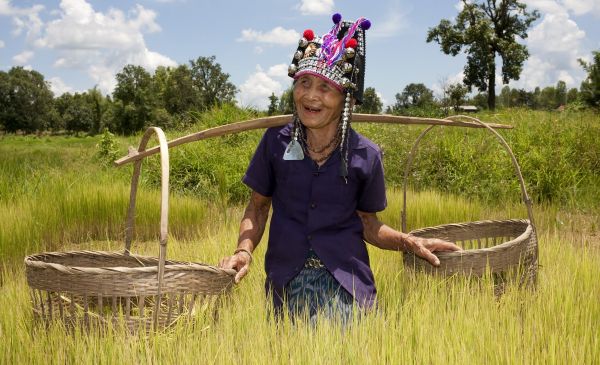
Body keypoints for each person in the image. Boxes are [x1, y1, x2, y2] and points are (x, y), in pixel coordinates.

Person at [219, 13, 460, 323]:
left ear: (347, 100)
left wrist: (408, 242)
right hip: (285, 284)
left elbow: (369, 225)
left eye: (325, 87)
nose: (311, 95)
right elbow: (258, 208)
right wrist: (244, 250)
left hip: (348, 287)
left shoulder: (366, 155)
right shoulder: (274, 143)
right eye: (304, 82)